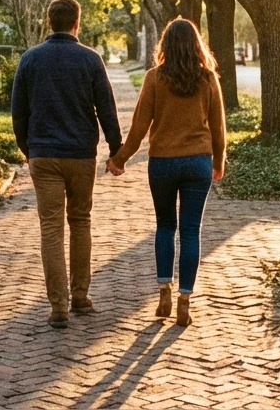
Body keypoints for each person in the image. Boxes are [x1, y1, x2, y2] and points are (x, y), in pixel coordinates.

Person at [106, 17, 226, 327]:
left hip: (162, 163)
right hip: (198, 162)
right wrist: (218, 161)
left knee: (164, 227)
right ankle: (185, 300)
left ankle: (164, 292)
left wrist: (120, 158)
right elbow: (218, 127)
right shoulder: (208, 79)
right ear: (196, 45)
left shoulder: (154, 78)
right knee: (190, 231)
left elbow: (139, 128)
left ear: (166, 46)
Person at [11, 0, 122, 329]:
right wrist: (116, 150)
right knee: (81, 222)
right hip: (80, 155)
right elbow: (106, 108)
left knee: (50, 229)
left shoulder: (30, 59)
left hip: (43, 154)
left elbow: (18, 112)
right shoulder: (90, 59)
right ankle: (80, 296)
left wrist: (27, 149)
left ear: (49, 23)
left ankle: (58, 306)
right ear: (77, 23)